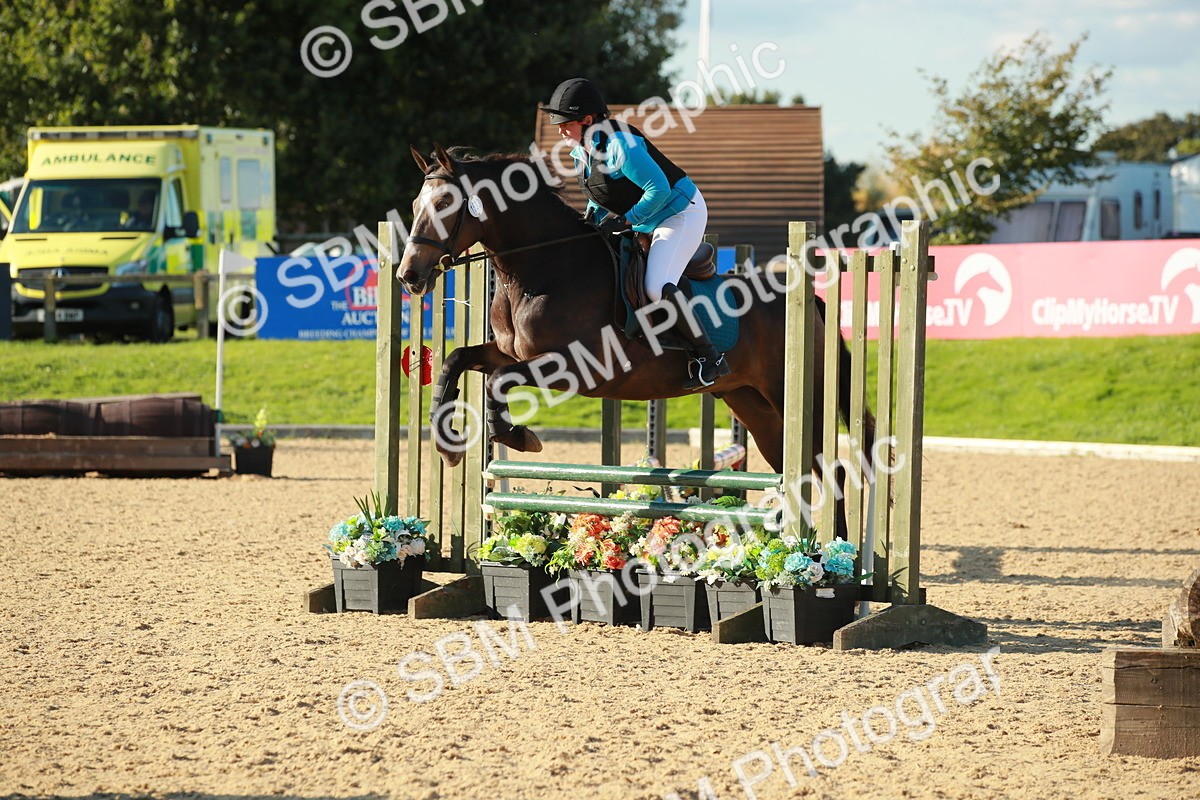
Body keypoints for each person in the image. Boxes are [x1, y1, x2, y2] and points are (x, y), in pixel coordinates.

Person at [541, 77, 730, 390]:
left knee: (656, 286)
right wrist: (590, 221)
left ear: (588, 121)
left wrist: (627, 220)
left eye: (566, 124)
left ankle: (710, 357)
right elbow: (600, 194)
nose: (560, 131)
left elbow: (658, 189)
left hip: (680, 213)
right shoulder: (582, 151)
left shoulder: (621, 146)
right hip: (646, 217)